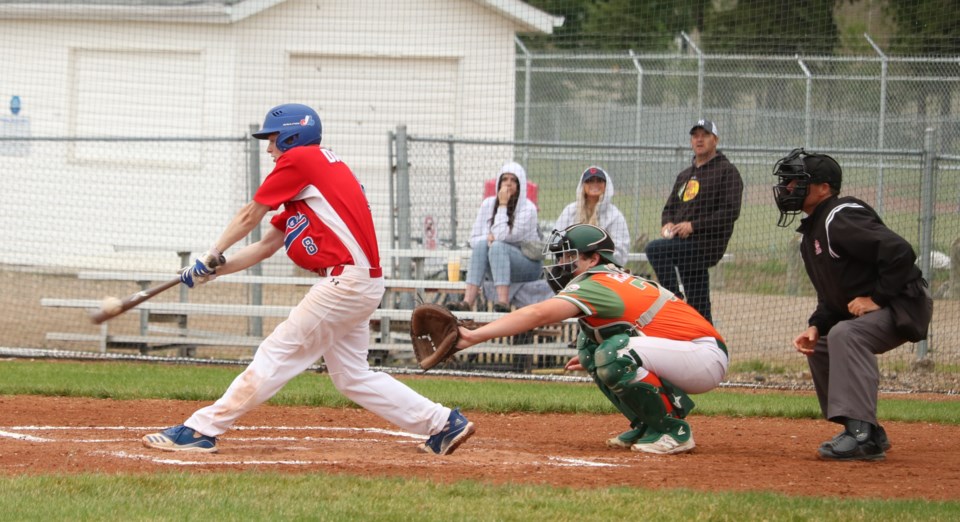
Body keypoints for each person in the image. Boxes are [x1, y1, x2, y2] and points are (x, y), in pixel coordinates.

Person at [142, 103, 475, 456]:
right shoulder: (312, 184)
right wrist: (212, 269)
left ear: (292, 136)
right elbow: (264, 246)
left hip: (345, 282)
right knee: (352, 377)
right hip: (360, 284)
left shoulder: (301, 160)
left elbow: (249, 214)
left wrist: (211, 252)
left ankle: (200, 429)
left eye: (272, 140)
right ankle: (443, 423)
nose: (269, 150)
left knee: (276, 352)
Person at [456, 223, 728, 454]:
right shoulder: (609, 278)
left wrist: (474, 335)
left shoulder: (596, 283)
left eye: (568, 257)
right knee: (589, 348)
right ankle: (648, 424)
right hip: (688, 353)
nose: (560, 264)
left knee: (614, 354)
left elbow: (538, 313)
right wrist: (593, 357)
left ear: (593, 259)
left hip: (703, 356)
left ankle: (675, 431)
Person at [772, 148, 933, 461]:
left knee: (846, 334)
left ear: (824, 188)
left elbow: (899, 251)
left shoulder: (839, 216)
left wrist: (877, 299)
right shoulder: (811, 236)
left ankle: (860, 437)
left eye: (796, 181)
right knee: (822, 344)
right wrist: (816, 325)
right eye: (787, 182)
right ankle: (865, 430)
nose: (788, 188)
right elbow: (832, 296)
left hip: (905, 304)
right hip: (887, 304)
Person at [644, 119, 743, 323]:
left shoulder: (727, 171)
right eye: (695, 135)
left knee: (655, 249)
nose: (699, 139)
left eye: (705, 135)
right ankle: (710, 343)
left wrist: (693, 226)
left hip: (705, 245)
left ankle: (673, 302)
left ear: (715, 140)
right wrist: (668, 224)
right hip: (682, 245)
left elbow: (730, 212)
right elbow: (669, 208)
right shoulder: (685, 176)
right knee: (700, 309)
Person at [447, 161, 543, 313]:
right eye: (504, 179)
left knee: (498, 246)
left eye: (513, 180)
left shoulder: (528, 209)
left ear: (520, 185)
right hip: (497, 265)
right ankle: (467, 302)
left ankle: (503, 302)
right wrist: (488, 238)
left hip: (527, 266)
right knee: (482, 245)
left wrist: (503, 204)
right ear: (499, 182)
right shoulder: (488, 204)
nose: (508, 184)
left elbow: (502, 236)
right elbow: (473, 239)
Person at [553, 166, 631, 266]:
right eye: (589, 180)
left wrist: (595, 264)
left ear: (606, 185)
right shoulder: (570, 210)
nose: (595, 184)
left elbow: (621, 249)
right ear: (582, 185)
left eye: (599, 180)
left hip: (603, 269)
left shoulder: (615, 216)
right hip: (571, 267)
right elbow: (557, 237)